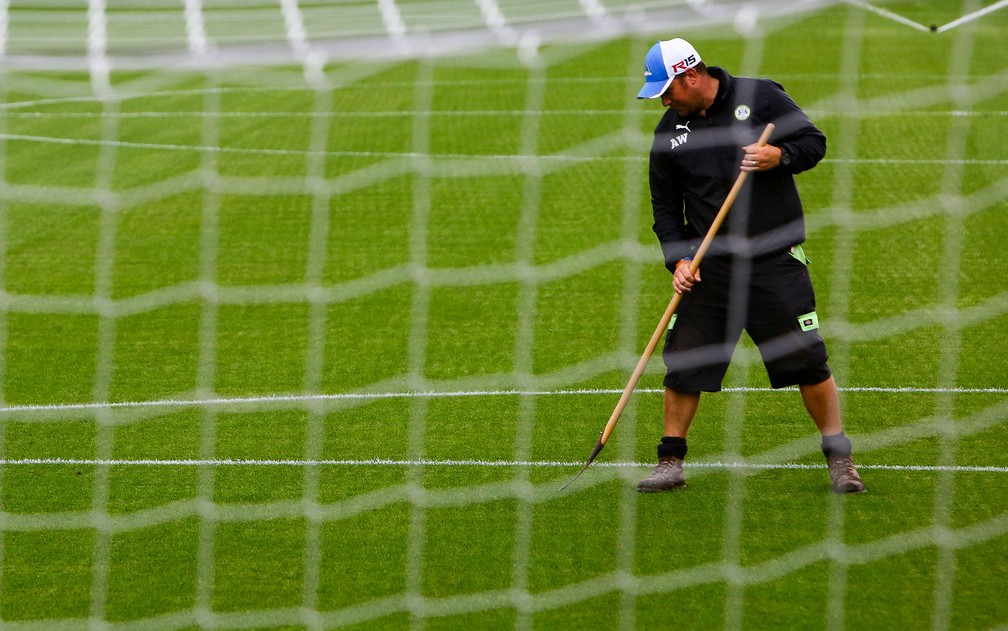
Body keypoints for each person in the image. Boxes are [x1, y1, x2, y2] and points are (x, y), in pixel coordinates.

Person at [634, 38, 865, 494]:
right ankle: (669, 461)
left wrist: (780, 156)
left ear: (691, 76)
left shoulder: (760, 98)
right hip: (708, 266)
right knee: (685, 364)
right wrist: (678, 258)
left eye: (667, 90)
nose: (663, 100)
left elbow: (812, 142)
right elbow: (664, 205)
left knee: (806, 358)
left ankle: (840, 458)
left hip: (772, 260)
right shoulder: (669, 132)